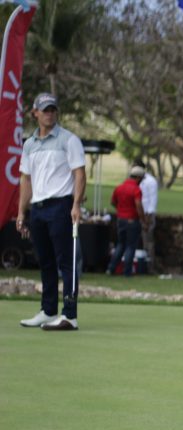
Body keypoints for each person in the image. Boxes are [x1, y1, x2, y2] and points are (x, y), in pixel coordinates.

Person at [16, 92, 86, 331]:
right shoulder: (29, 145)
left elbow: (79, 174)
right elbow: (26, 179)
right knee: (45, 262)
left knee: (66, 263)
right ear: (35, 113)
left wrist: (76, 204)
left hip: (61, 206)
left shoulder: (69, 140)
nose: (49, 114)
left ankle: (70, 316)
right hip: (38, 209)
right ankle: (48, 311)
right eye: (45, 110)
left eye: (52, 110)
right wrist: (21, 212)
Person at [106, 166, 145, 277]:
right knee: (130, 246)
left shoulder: (119, 188)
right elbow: (138, 205)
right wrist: (143, 219)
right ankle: (127, 271)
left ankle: (111, 268)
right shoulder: (136, 189)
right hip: (132, 220)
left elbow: (113, 202)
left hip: (120, 220)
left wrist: (120, 210)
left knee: (120, 245)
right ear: (138, 178)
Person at [135, 160, 158, 268]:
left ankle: (149, 266)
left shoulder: (150, 181)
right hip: (137, 214)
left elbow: (152, 201)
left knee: (148, 241)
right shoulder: (135, 180)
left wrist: (147, 218)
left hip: (147, 214)